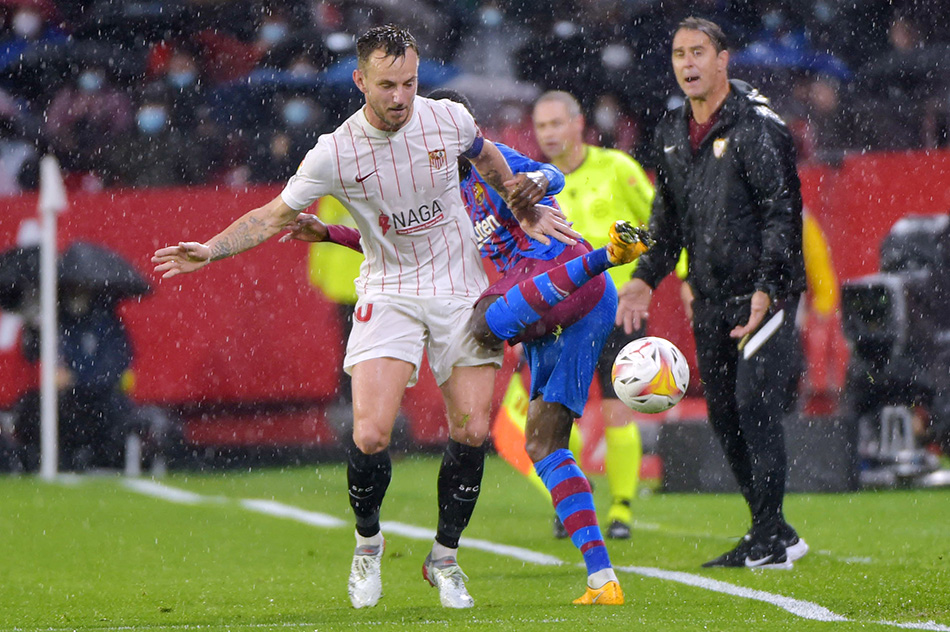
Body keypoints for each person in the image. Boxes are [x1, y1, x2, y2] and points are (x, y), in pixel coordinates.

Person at [152, 24, 578, 610]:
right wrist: (211, 248)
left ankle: (445, 559)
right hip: (389, 288)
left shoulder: (448, 119)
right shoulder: (335, 152)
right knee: (371, 433)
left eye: (409, 82)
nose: (401, 96)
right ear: (359, 81)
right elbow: (273, 214)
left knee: (472, 431)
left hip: (459, 288)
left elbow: (487, 157)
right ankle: (368, 544)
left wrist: (518, 205)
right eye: (387, 85)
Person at [283, 87, 650, 605]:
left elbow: (553, 175)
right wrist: (328, 234)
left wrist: (536, 182)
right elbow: (387, 243)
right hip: (544, 312)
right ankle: (602, 578)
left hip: (565, 280)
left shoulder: (487, 160)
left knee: (482, 323)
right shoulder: (419, 187)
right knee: (545, 445)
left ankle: (608, 255)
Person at [616, 17, 809, 569]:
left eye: (699, 52)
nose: (688, 64)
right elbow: (666, 218)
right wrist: (643, 278)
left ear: (724, 59)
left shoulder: (758, 125)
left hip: (762, 294)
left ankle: (771, 540)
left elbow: (782, 211)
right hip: (709, 293)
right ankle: (772, 528)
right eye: (679, 54)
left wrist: (769, 286)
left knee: (754, 406)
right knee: (724, 417)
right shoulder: (672, 128)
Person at [532, 89, 654, 540]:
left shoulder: (617, 169)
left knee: (618, 410)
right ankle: (570, 504)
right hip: (560, 316)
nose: (548, 134)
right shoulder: (535, 184)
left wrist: (670, 280)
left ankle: (621, 509)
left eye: (555, 123)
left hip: (618, 310)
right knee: (557, 414)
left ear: (578, 123)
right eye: (541, 126)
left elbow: (657, 223)